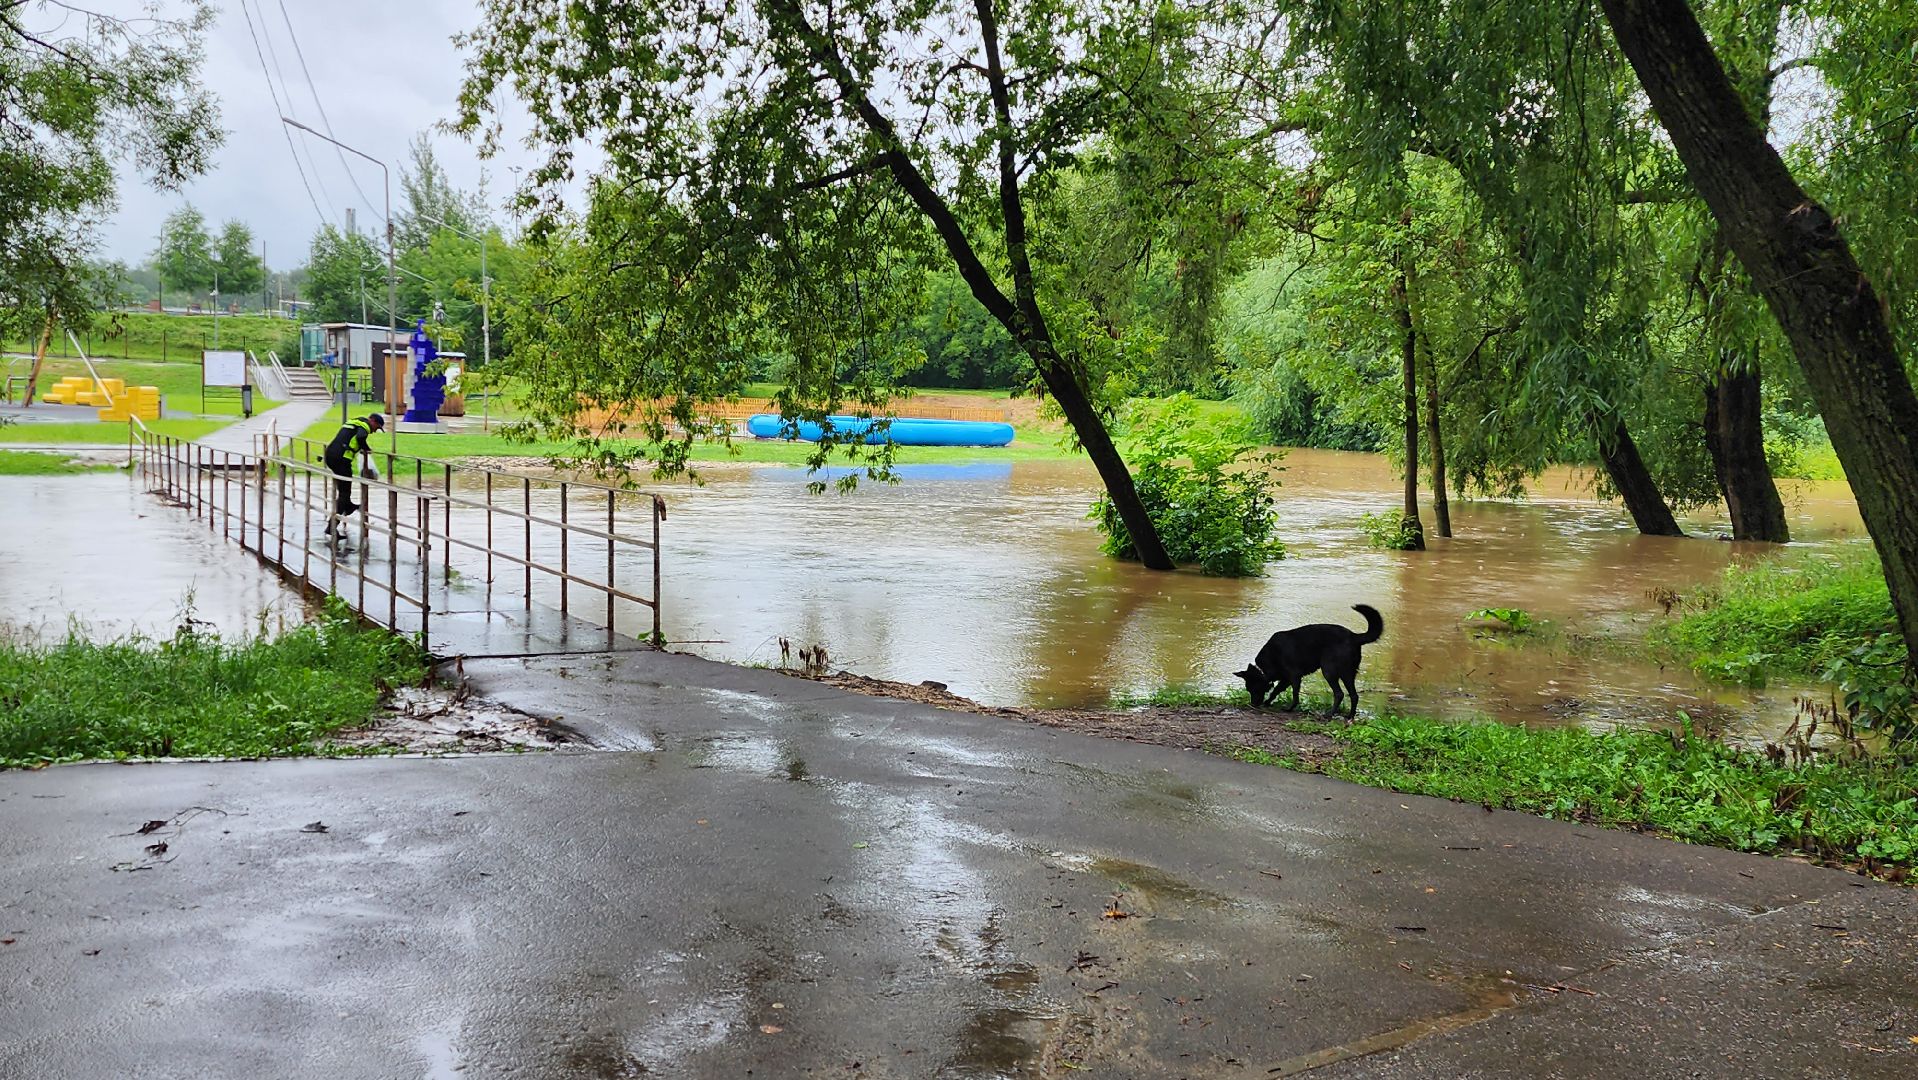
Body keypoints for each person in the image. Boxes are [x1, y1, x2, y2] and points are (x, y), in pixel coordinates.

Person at [323, 412, 384, 538]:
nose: (374, 431)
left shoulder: (355, 422)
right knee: (344, 494)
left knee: (344, 490)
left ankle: (349, 506)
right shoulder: (364, 426)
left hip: (331, 455)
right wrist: (366, 448)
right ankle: (332, 526)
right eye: (376, 427)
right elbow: (361, 437)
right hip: (341, 459)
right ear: (372, 421)